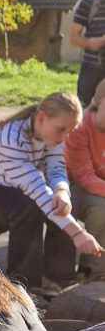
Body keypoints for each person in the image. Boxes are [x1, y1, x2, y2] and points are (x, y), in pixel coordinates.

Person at [0, 92, 103, 296]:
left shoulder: (51, 134)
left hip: (11, 187)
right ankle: (24, 284)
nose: (65, 137)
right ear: (41, 118)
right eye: (61, 130)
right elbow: (36, 190)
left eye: (70, 131)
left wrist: (62, 190)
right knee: (29, 207)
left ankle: (58, 278)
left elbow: (56, 167)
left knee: (69, 200)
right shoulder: (9, 140)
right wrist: (78, 233)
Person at [64, 77, 105, 279]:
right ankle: (91, 269)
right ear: (99, 102)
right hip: (74, 185)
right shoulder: (80, 128)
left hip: (100, 184)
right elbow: (85, 178)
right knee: (101, 208)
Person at [69, 0, 105, 108]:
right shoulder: (91, 0)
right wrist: (90, 43)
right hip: (93, 68)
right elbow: (74, 37)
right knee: (85, 111)